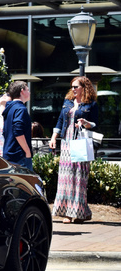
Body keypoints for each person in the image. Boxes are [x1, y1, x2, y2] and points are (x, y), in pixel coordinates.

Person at [49, 76, 99, 224]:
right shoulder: (67, 102)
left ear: (84, 87)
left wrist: (86, 123)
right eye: (72, 86)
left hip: (81, 142)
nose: (73, 89)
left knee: (79, 178)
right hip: (66, 142)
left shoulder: (92, 104)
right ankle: (67, 213)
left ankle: (79, 212)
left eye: (76, 86)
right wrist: (53, 137)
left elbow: (96, 124)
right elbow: (60, 120)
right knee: (66, 176)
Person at [2, 80, 33, 170]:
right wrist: (27, 152)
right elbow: (17, 131)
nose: (29, 92)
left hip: (9, 154)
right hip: (19, 156)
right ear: (22, 91)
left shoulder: (10, 108)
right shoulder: (21, 109)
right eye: (27, 89)